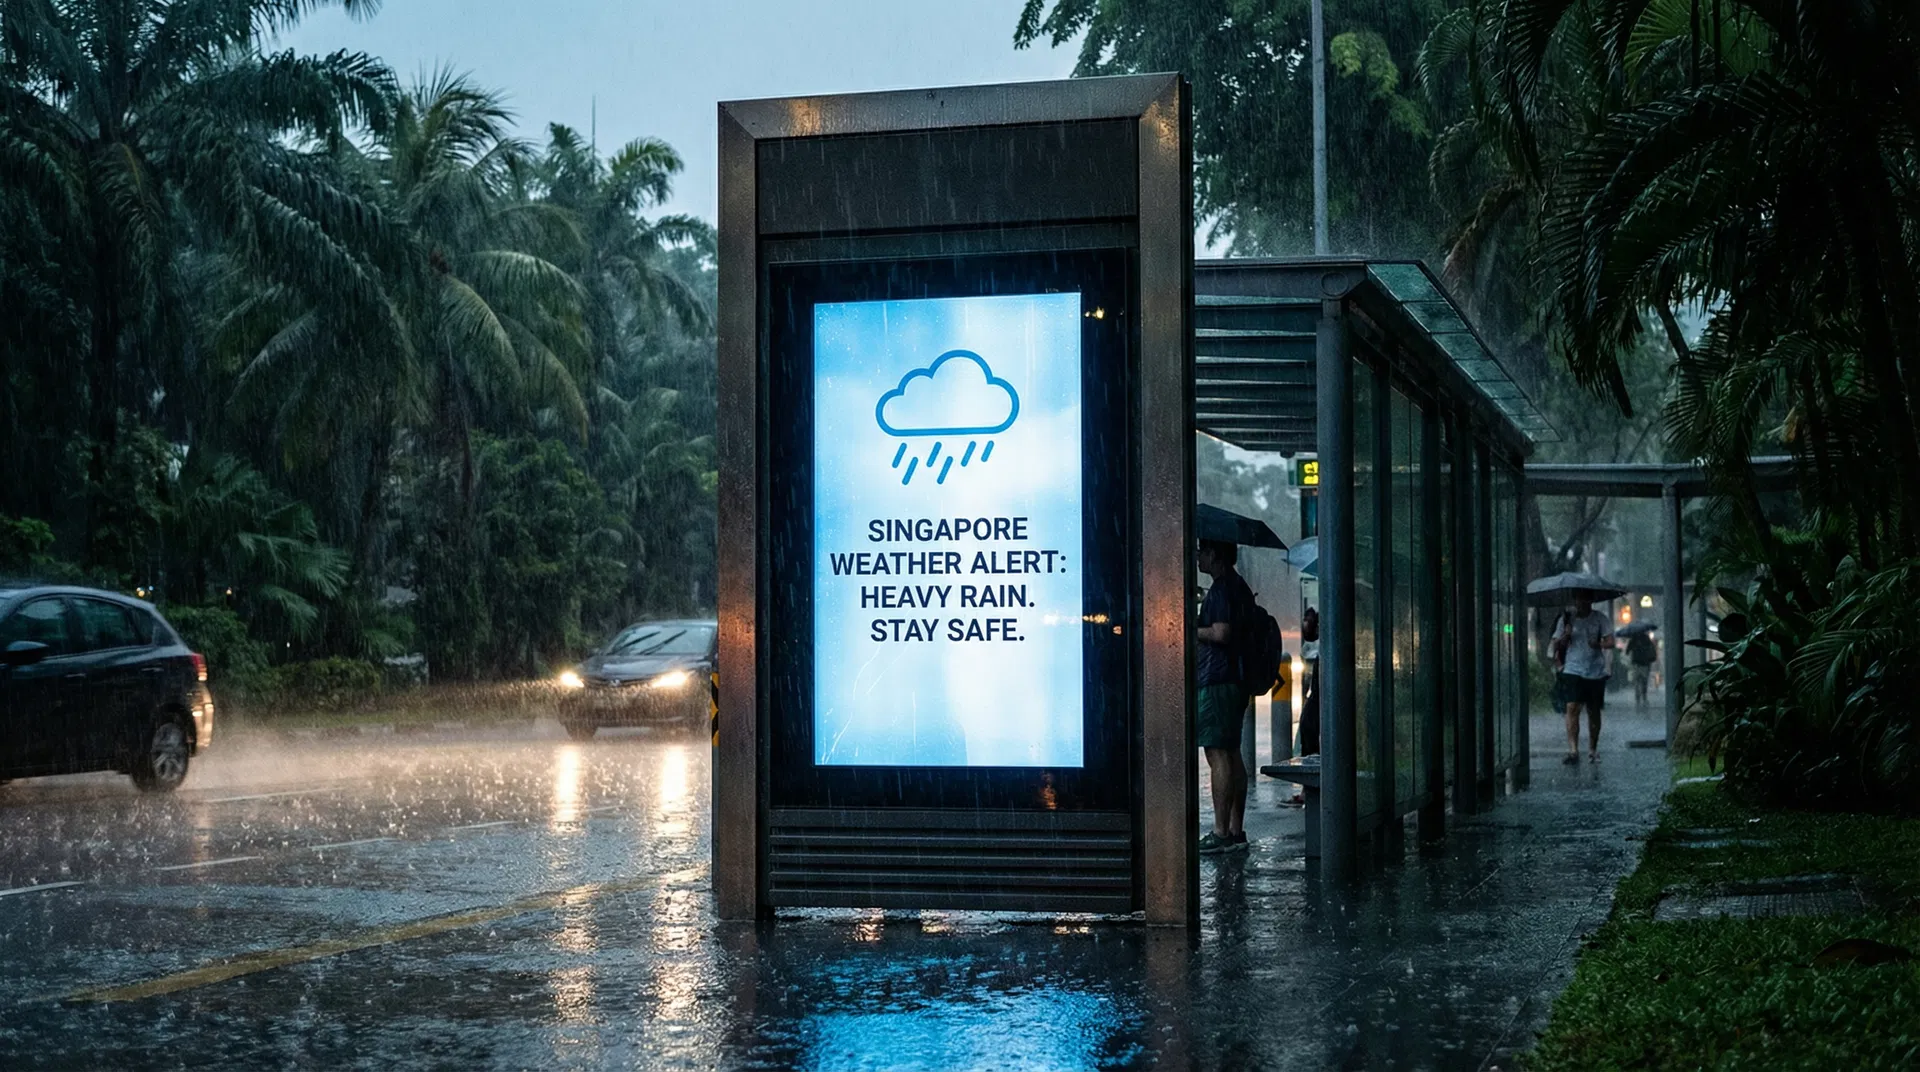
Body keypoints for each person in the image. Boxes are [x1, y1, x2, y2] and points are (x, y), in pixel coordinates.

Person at [1196, 539, 1254, 854]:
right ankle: (1235, 830)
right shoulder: (1238, 587)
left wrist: (1190, 627)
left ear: (1214, 555)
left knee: (1217, 753)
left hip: (1217, 680)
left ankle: (1220, 833)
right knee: (1232, 753)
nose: (1197, 557)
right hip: (1237, 679)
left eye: (1201, 551)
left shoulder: (1221, 590)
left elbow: (1220, 633)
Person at [1551, 593, 1615, 763]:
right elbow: (1556, 644)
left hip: (1595, 671)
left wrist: (1598, 644)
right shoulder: (1566, 620)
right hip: (1572, 669)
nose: (1582, 603)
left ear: (1591, 601)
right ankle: (1573, 750)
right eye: (1579, 599)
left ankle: (1593, 748)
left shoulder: (1600, 619)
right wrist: (1566, 635)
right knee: (1572, 707)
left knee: (1593, 710)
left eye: (1585, 599)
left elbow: (1611, 642)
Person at [1626, 628, 1658, 708]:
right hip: (1645, 664)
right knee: (1644, 681)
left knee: (1637, 681)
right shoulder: (1646, 639)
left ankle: (1637, 698)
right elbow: (1652, 650)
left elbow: (1627, 651)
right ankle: (1644, 697)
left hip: (1636, 663)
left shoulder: (1633, 639)